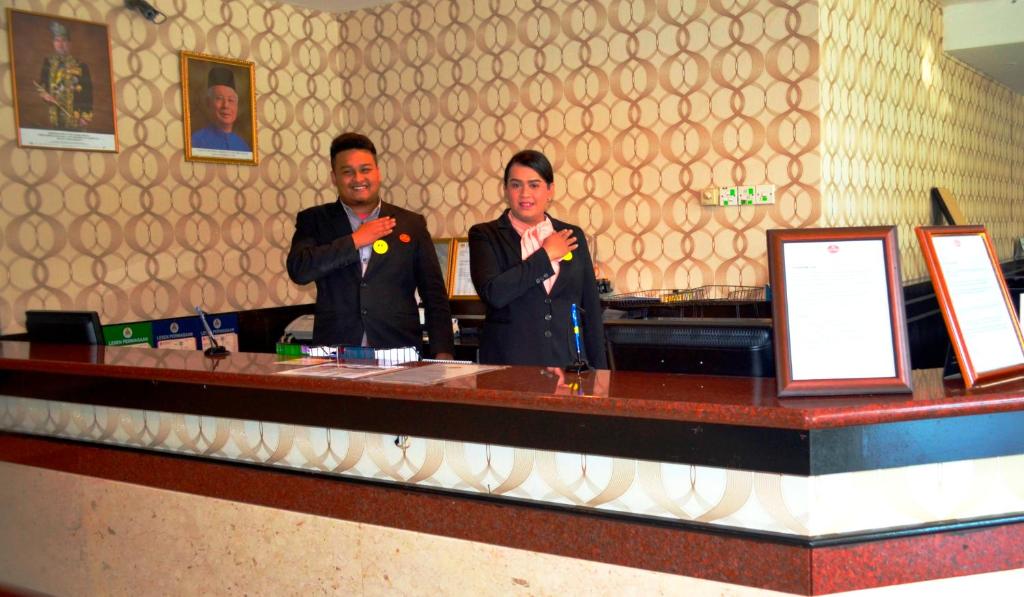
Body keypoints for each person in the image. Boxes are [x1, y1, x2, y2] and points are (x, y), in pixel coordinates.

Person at [287, 132, 454, 359]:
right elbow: (300, 270)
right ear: (334, 177)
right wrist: (355, 240)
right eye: (347, 172)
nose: (358, 178)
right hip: (335, 353)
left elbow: (434, 294)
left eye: (365, 169)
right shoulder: (314, 220)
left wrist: (443, 352)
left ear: (378, 172)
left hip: (399, 350)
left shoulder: (411, 224)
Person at [469, 150, 607, 368]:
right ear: (506, 189)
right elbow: (494, 293)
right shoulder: (485, 235)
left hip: (569, 364)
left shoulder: (572, 234)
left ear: (550, 190)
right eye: (516, 185)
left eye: (534, 185)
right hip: (508, 366)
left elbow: (590, 308)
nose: (525, 194)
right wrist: (546, 255)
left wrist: (601, 372)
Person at [36, 21, 92, 130]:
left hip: (76, 117)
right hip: (55, 116)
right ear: (53, 43)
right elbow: (41, 86)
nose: (60, 45)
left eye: (64, 41)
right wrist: (45, 95)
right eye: (57, 40)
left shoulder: (81, 66)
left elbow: (88, 93)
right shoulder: (48, 63)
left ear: (70, 43)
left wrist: (85, 116)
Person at [190, 66, 251, 152]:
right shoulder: (196, 141)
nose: (225, 105)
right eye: (219, 98)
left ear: (237, 106)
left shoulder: (243, 145)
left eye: (231, 100)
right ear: (208, 103)